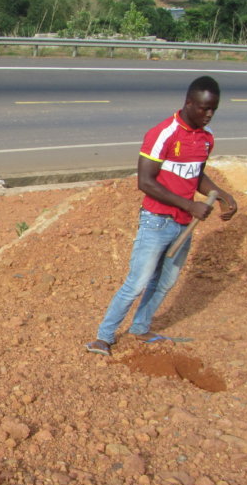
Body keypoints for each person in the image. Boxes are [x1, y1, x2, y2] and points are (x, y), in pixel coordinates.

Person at [85, 76, 238, 357]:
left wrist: (222, 195)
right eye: (204, 108)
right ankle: (104, 338)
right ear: (188, 103)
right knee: (138, 282)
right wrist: (190, 205)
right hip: (157, 221)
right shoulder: (163, 134)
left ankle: (140, 327)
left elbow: (196, 174)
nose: (208, 114)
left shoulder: (206, 138)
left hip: (183, 226)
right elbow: (145, 181)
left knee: (165, 282)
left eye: (213, 109)